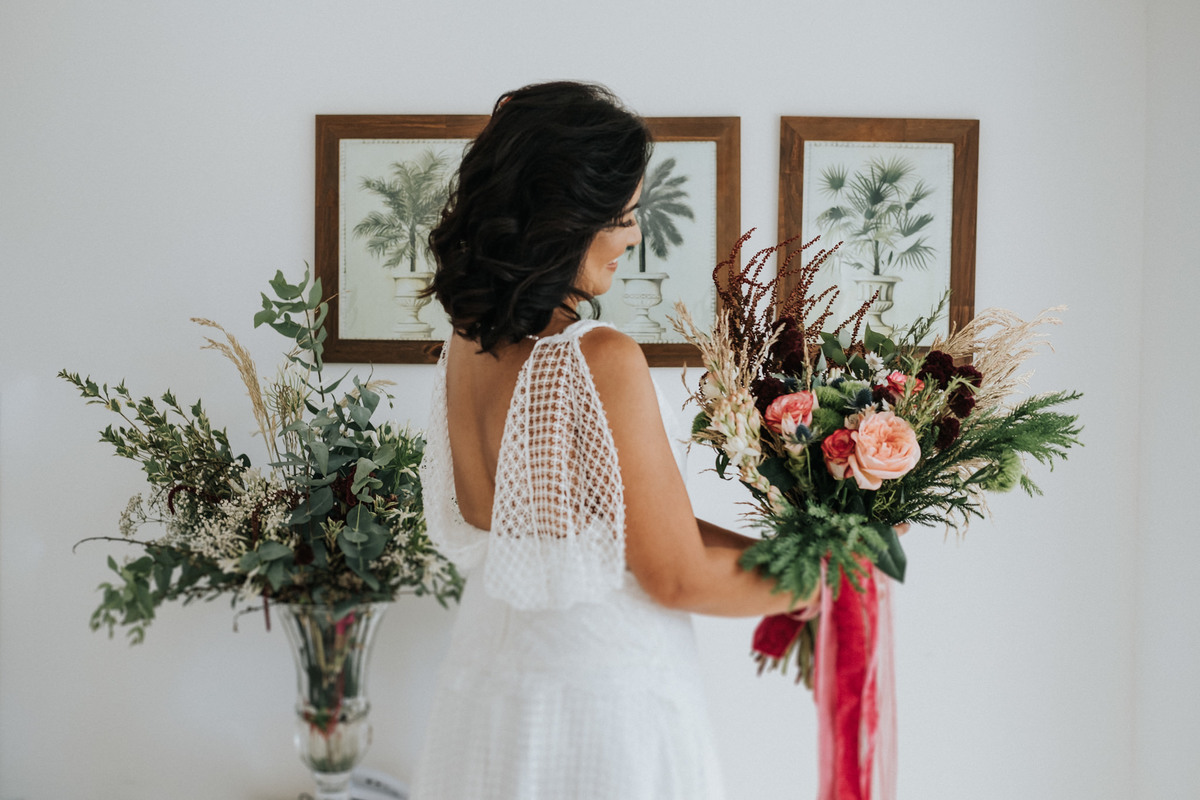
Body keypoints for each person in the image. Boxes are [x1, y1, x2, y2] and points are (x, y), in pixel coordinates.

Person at [411, 81, 813, 800]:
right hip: (598, 712)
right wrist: (833, 580)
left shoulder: (463, 353)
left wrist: (791, 557)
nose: (634, 236)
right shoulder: (597, 358)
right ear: (566, 216)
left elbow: (639, 533)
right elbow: (675, 577)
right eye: (623, 216)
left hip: (487, 697)